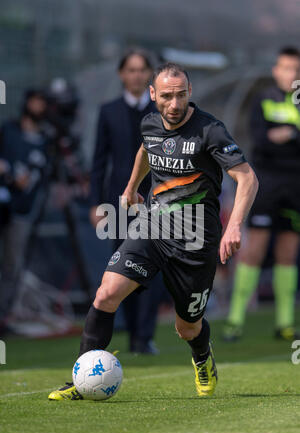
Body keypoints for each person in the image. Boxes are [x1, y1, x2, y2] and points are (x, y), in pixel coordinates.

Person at [48, 62, 258, 400]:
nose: (174, 104)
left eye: (180, 95)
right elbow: (147, 148)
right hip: (153, 226)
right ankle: (81, 379)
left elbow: (247, 177)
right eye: (166, 96)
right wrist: (132, 188)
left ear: (190, 93)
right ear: (152, 94)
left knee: (185, 327)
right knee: (106, 293)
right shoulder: (148, 121)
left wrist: (234, 227)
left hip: (195, 239)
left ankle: (202, 357)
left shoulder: (210, 130)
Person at [223, 46, 300, 342]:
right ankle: (235, 320)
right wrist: (288, 134)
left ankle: (284, 323)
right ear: (276, 70)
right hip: (266, 183)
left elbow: (281, 137)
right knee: (255, 248)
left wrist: (288, 133)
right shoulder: (262, 99)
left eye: (296, 69)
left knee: (288, 253)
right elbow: (260, 140)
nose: (291, 74)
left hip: (295, 187)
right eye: (286, 68)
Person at [89, 48, 163, 354]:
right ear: (122, 74)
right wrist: (95, 203)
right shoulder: (108, 111)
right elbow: (98, 161)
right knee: (123, 265)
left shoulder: (161, 112)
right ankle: (132, 331)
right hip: (118, 202)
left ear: (150, 75)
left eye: (141, 70)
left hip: (158, 199)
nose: (135, 75)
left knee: (154, 265)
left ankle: (144, 337)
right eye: (130, 70)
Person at [0, 89, 50, 336]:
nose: (39, 108)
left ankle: (3, 318)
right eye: (36, 102)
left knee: (12, 266)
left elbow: (34, 180)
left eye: (43, 104)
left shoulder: (44, 143)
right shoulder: (7, 131)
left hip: (21, 212)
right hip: (3, 204)